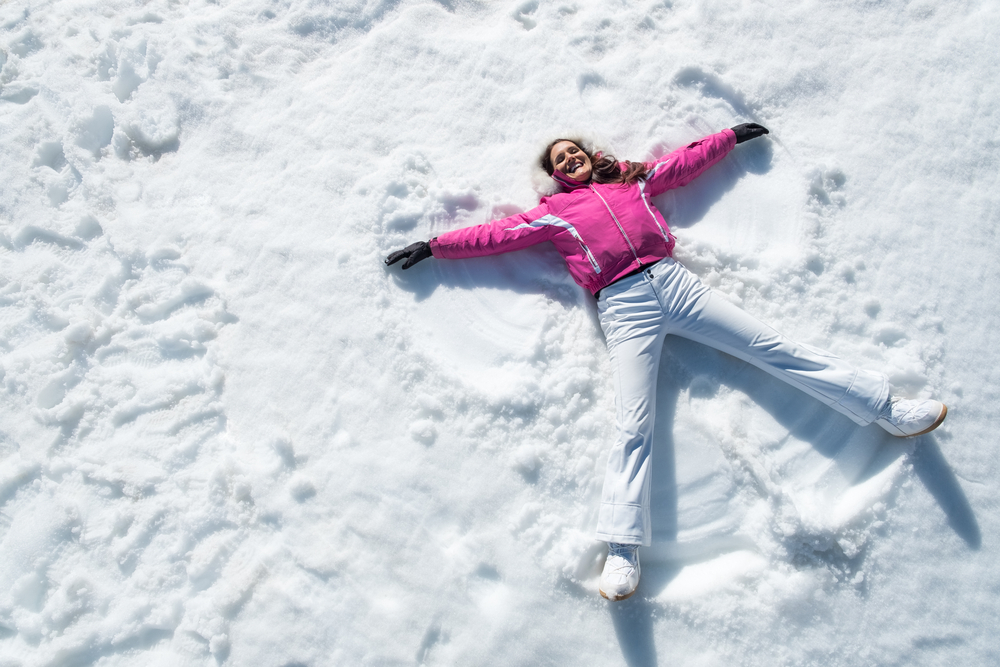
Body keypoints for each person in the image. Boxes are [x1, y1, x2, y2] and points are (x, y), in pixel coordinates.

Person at [384, 124, 947, 601]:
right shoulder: (552, 215)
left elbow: (680, 165)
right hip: (624, 306)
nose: (570, 159)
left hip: (676, 285)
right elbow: (492, 235)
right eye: (560, 160)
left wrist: (727, 138)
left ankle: (888, 409)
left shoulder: (631, 180)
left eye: (574, 150)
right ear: (555, 175)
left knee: (773, 347)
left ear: (587, 154)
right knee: (635, 422)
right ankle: (622, 551)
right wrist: (435, 246)